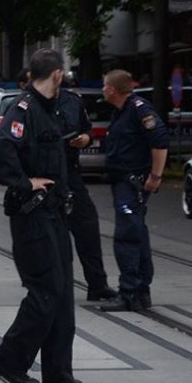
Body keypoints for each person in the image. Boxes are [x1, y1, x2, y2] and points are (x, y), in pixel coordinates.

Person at [0, 49, 83, 383]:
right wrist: (25, 183)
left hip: (55, 213)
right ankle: (10, 362)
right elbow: (0, 154)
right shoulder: (23, 109)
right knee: (46, 290)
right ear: (56, 75)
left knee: (63, 294)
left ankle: (57, 370)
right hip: (33, 214)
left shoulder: (51, 109)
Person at [99, 69, 169, 312]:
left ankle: (129, 292)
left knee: (128, 236)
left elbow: (160, 140)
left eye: (104, 85)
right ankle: (140, 291)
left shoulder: (139, 109)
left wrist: (156, 176)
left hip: (132, 183)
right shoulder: (122, 111)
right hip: (123, 182)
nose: (102, 89)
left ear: (112, 89)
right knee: (137, 233)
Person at [56, 88, 119, 302]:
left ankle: (97, 284)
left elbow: (86, 130)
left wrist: (84, 138)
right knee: (51, 233)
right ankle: (53, 285)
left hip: (71, 172)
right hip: (44, 174)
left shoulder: (73, 101)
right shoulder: (30, 103)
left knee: (87, 226)